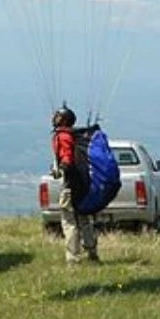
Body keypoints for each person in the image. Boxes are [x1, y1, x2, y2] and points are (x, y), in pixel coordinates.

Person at [50, 106, 99, 264]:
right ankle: (91, 252)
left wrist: (60, 170)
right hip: (82, 184)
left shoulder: (63, 136)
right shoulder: (76, 136)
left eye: (57, 116)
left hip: (70, 185)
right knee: (84, 218)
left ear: (63, 119)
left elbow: (67, 158)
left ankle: (73, 258)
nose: (54, 118)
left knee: (69, 221)